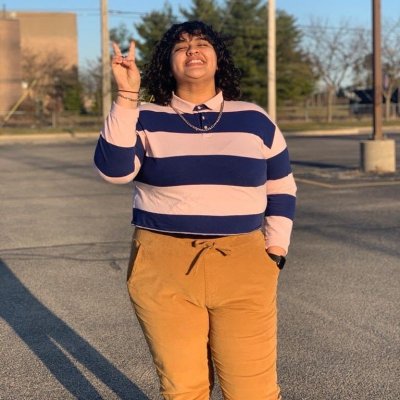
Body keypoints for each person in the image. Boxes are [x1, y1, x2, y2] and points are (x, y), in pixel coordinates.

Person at [94, 20, 296, 400]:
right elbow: (114, 171)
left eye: (201, 43)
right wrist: (126, 94)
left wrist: (276, 250)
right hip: (163, 265)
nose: (192, 50)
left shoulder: (254, 119)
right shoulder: (144, 117)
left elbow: (281, 187)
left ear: (218, 59)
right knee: (183, 389)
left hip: (244, 262)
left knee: (253, 390)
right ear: (167, 64)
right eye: (180, 46)